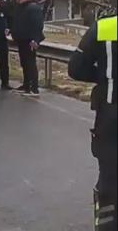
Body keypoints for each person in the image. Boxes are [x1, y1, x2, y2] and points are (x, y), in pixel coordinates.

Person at [68, 14, 117, 231]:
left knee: (110, 177)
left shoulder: (105, 26)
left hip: (111, 115)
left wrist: (106, 77)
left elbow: (76, 68)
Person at [10, 0, 45, 96]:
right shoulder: (19, 9)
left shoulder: (33, 7)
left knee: (30, 64)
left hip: (30, 41)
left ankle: (33, 88)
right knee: (24, 64)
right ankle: (26, 85)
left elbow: (38, 25)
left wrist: (36, 39)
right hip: (21, 40)